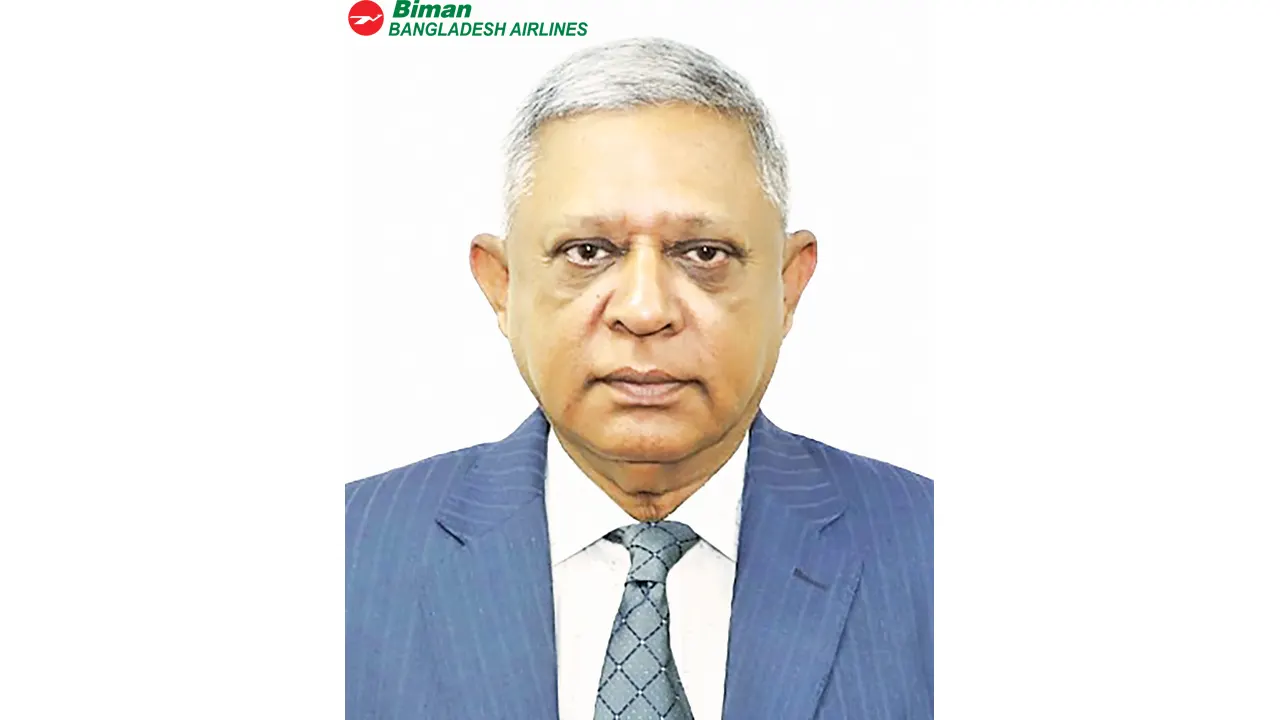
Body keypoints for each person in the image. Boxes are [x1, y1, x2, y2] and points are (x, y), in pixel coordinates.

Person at [346, 37, 933, 720]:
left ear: (787, 286)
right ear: (502, 285)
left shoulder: (935, 549)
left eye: (704, 253)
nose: (645, 310)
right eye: (587, 251)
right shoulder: (348, 553)